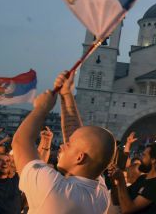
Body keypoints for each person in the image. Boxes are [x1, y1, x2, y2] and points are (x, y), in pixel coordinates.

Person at [12, 71, 116, 214]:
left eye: (68, 145)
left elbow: (20, 142)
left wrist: (41, 108)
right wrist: (66, 94)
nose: (62, 145)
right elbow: (81, 141)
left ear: (80, 157)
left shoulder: (53, 189)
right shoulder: (100, 193)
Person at [111, 143, 156, 214]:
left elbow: (127, 209)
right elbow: (116, 200)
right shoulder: (142, 178)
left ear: (153, 160)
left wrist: (121, 179)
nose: (141, 158)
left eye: (144, 155)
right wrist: (113, 179)